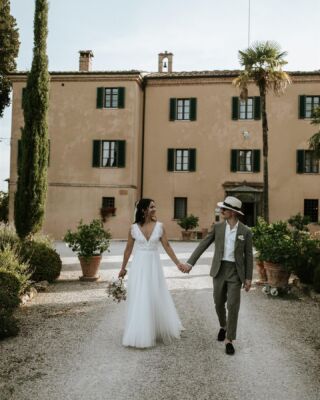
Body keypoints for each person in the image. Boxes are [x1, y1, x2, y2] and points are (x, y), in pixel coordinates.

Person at [180, 196, 253, 355]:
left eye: (224, 209)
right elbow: (203, 244)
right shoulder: (218, 227)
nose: (221, 211)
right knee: (218, 302)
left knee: (233, 305)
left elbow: (249, 256)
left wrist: (248, 278)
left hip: (235, 272)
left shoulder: (246, 232)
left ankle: (230, 339)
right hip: (219, 270)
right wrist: (190, 264)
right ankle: (223, 325)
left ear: (233, 212)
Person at [118, 198, 184, 348]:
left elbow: (167, 246)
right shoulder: (133, 228)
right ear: (143, 210)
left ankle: (155, 327)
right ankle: (140, 331)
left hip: (154, 265)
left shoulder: (160, 226)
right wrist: (122, 268)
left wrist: (178, 263)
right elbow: (128, 249)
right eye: (152, 207)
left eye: (155, 206)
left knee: (154, 293)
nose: (155, 209)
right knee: (140, 295)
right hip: (139, 265)